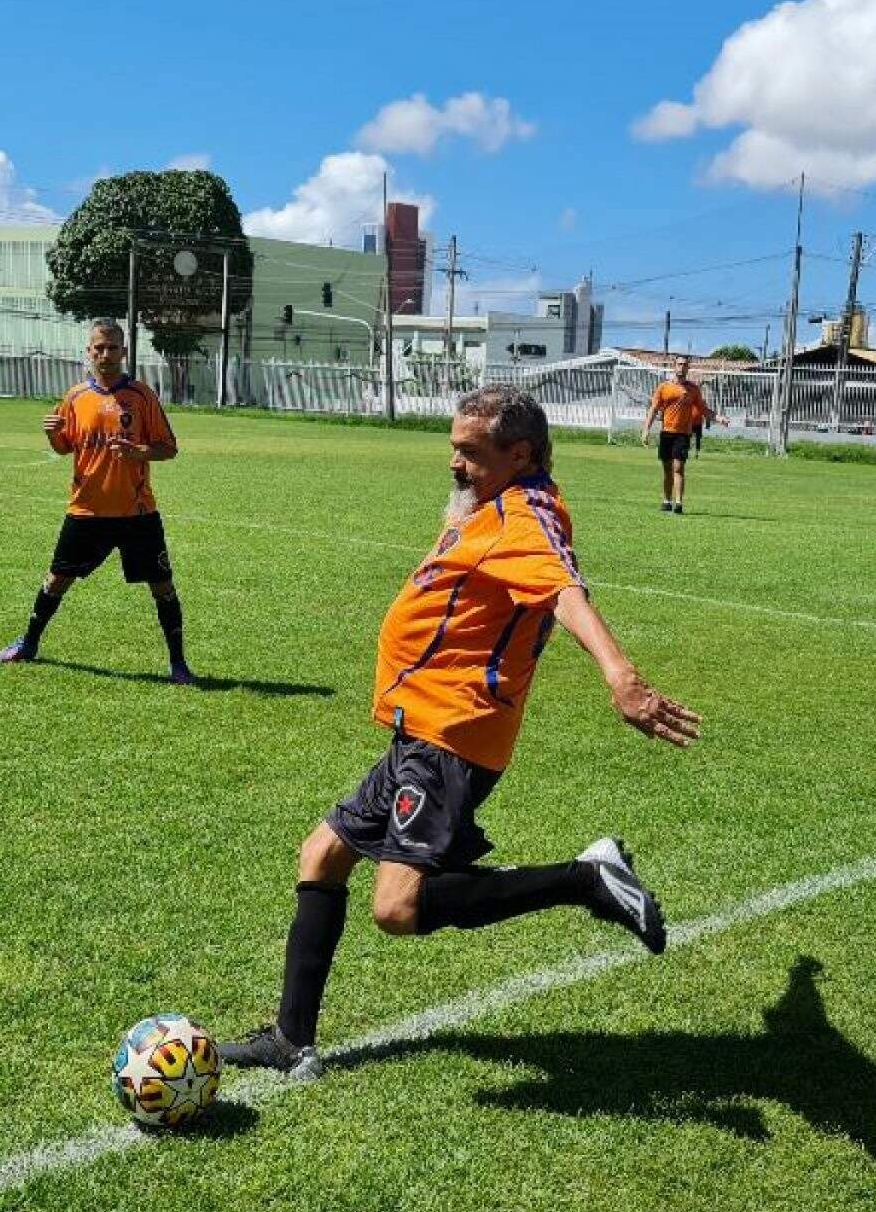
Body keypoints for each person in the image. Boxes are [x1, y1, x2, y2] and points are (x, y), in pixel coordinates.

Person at [221, 386, 700, 1080]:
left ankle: (585, 879)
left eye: (471, 453)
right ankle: (291, 1040)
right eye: (453, 447)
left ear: (520, 454)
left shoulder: (524, 520)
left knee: (397, 907)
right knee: (322, 855)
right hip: (421, 728)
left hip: (452, 735)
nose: (455, 463)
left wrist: (621, 676)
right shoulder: (490, 507)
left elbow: (566, 593)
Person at [0, 318, 195, 683]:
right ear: (89, 352)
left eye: (112, 348)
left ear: (124, 352)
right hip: (87, 510)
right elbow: (64, 447)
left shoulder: (142, 396)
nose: (105, 354)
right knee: (56, 579)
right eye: (98, 348)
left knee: (162, 586)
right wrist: (52, 435)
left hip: (137, 513)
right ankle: (29, 644)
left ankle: (179, 664)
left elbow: (169, 449)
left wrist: (138, 453)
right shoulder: (75, 397)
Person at [639, 354, 711, 513]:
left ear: (688, 368)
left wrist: (718, 417)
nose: (682, 367)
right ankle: (666, 501)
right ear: (674, 366)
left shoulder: (693, 389)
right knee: (667, 469)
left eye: (685, 364)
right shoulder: (664, 387)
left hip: (683, 434)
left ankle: (678, 503)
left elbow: (703, 408)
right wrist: (646, 430)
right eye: (679, 364)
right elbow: (653, 409)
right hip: (666, 433)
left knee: (678, 468)